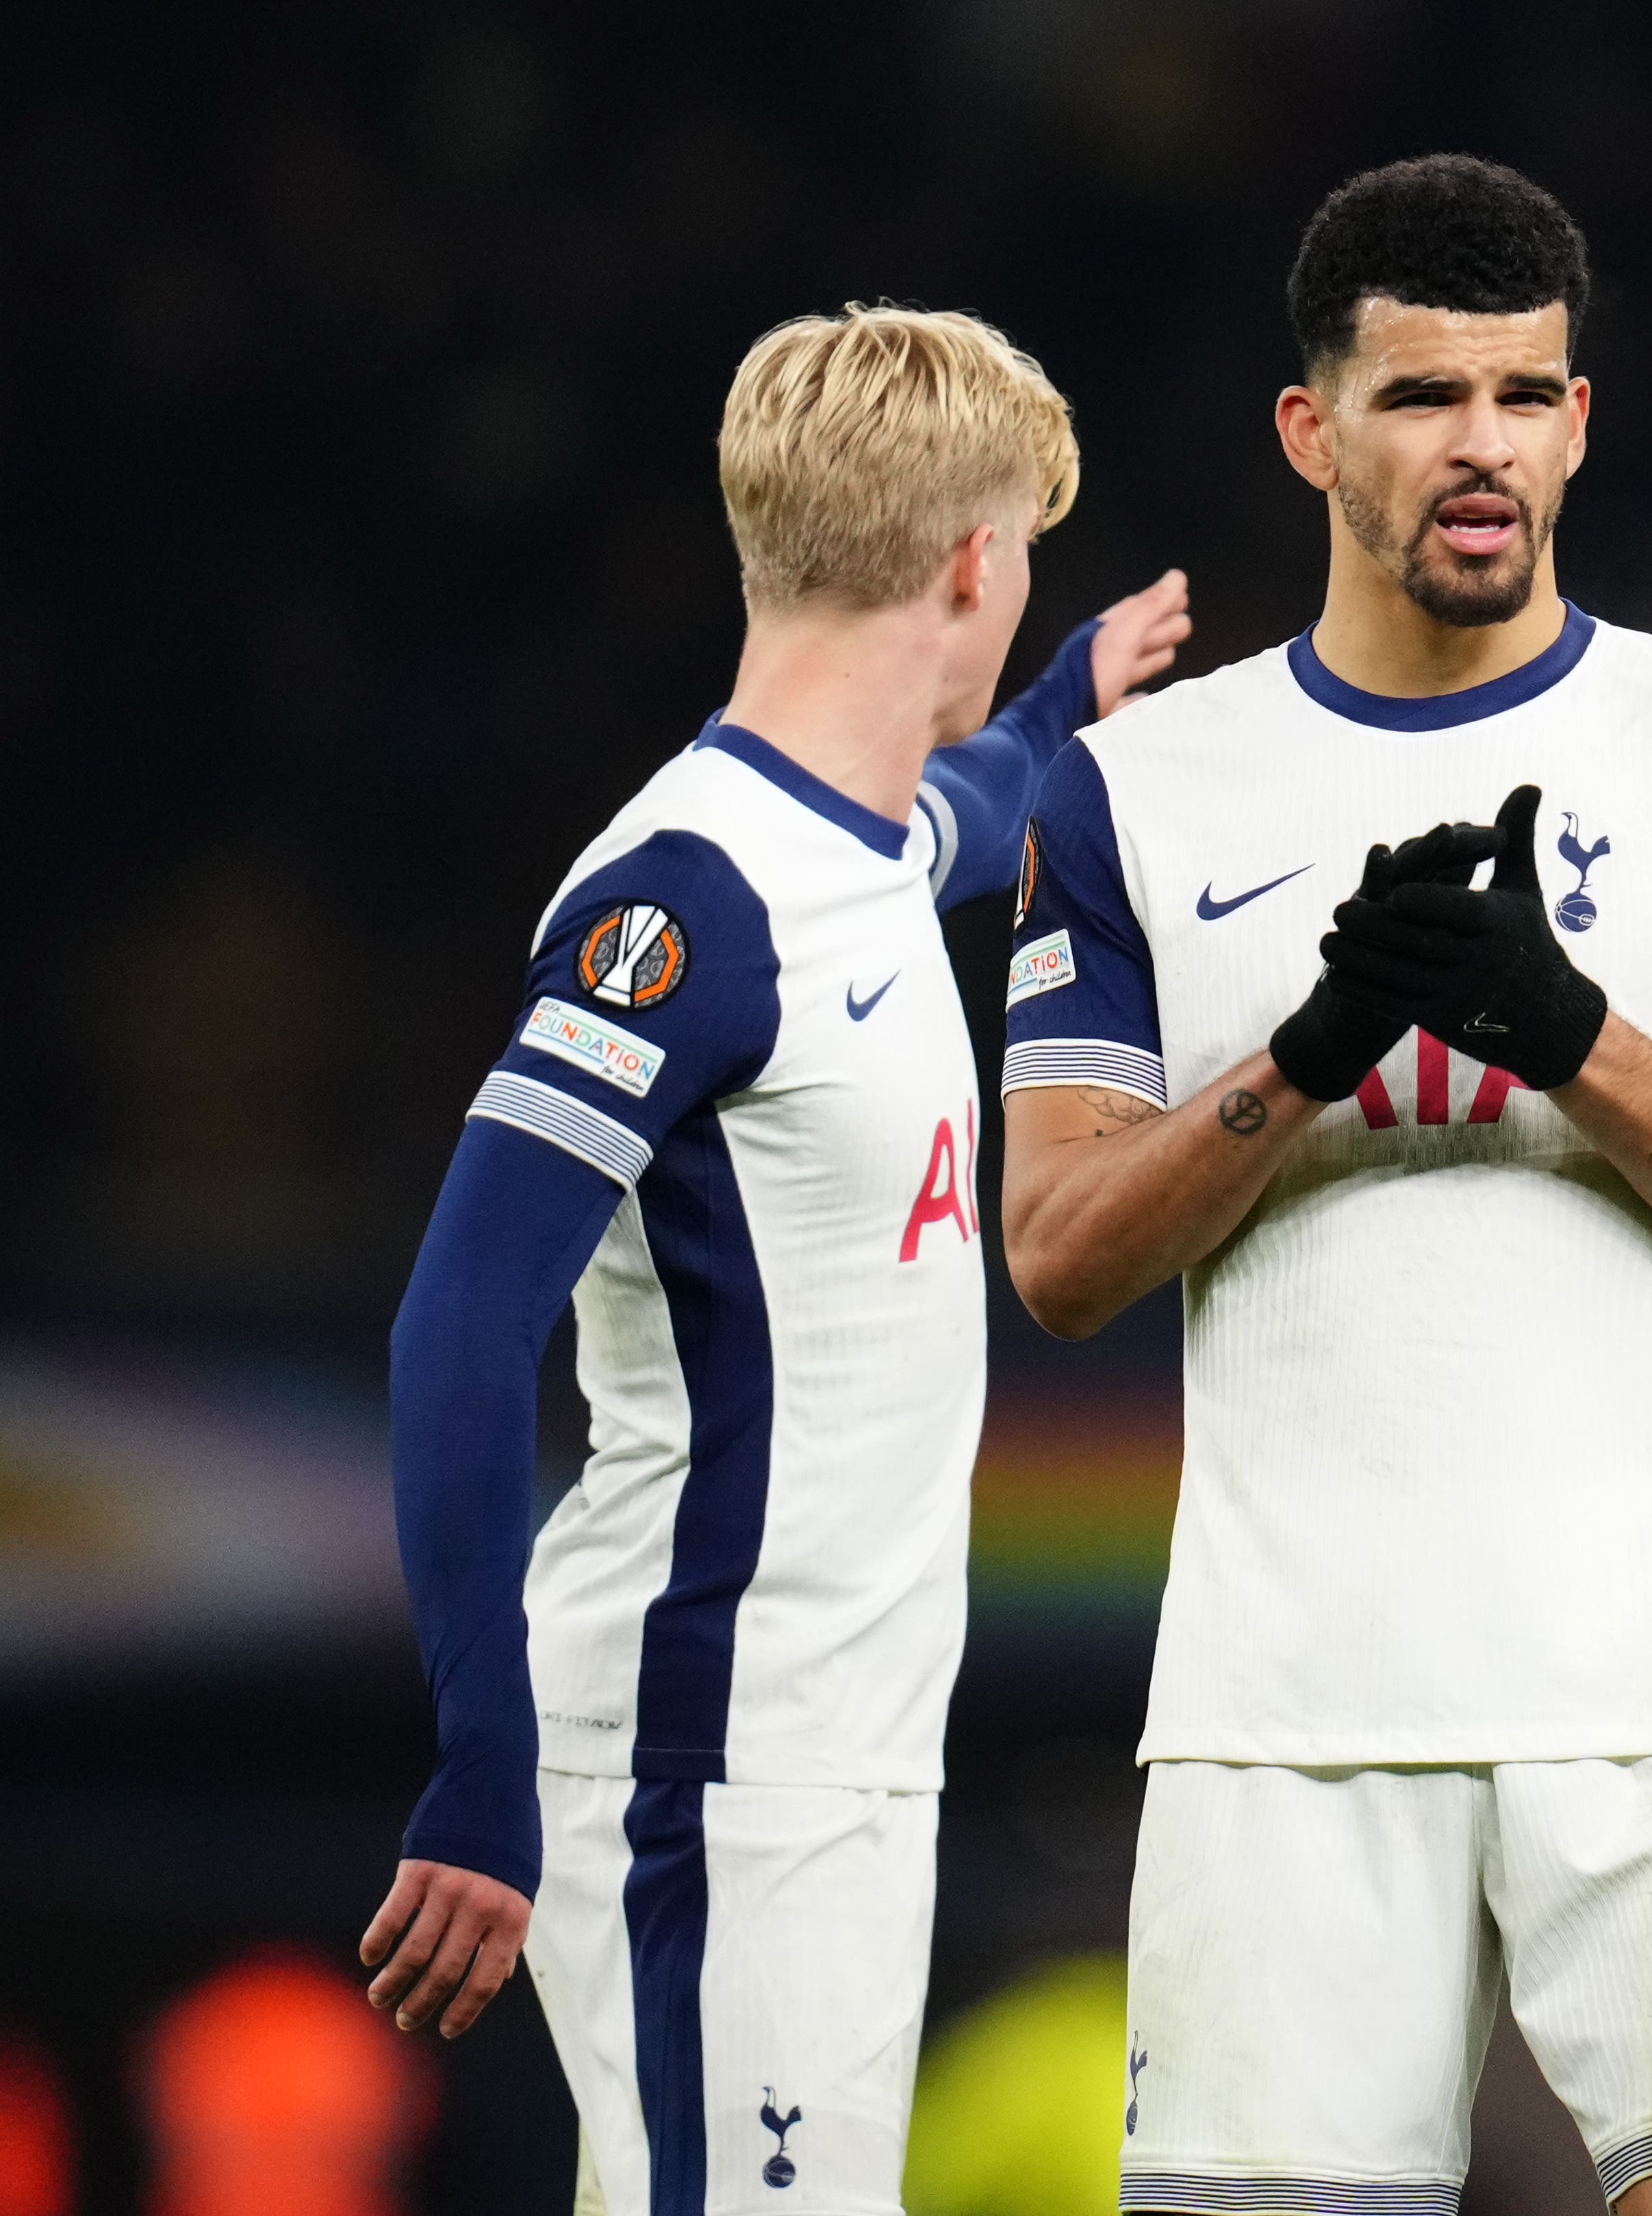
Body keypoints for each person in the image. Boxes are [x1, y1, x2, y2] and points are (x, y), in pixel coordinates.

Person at [995, 155, 1652, 2216]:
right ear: (1313, 429)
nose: (1478, 447)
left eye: (1522, 394)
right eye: (1419, 398)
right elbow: (1053, 1255)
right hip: (1286, 1716)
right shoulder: (1133, 789)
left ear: (1580, 418)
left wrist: (1565, 1031)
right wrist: (1310, 1057)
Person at [359, 302, 1191, 2211]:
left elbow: (947, 834)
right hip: (701, 1755)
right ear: (974, 557)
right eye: (1023, 569)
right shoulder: (685, 896)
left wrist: (1064, 702)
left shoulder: (853, 849)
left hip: (823, 1752)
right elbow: (462, 1328)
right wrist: (482, 1760)